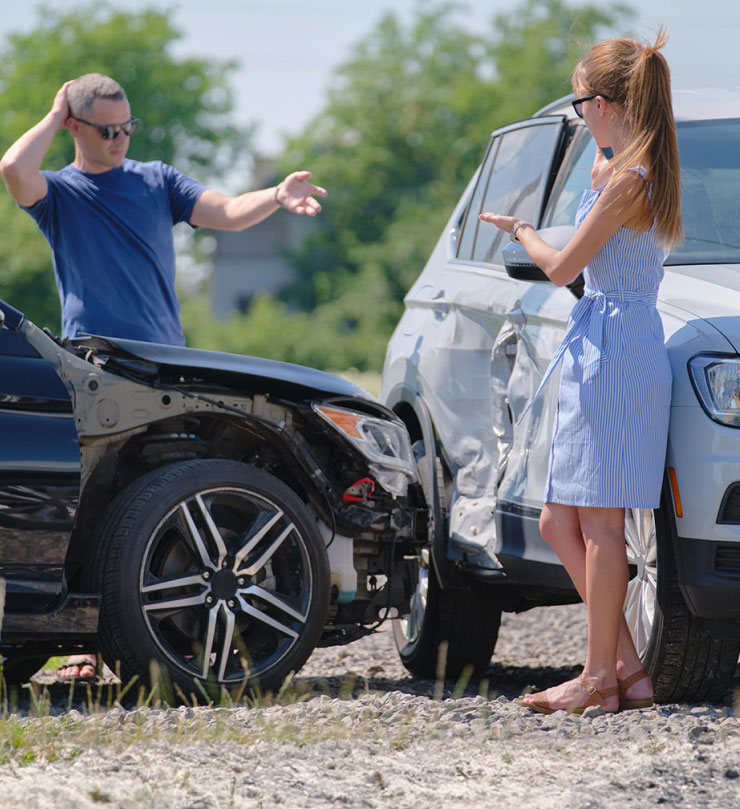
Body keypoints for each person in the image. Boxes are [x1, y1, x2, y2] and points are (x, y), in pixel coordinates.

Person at [0, 73, 327, 680]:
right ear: (75, 127)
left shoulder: (156, 179)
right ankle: (83, 645)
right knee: (89, 500)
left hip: (165, 368)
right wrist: (50, 115)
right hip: (92, 368)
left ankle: (155, 637)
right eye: (107, 129)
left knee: (156, 499)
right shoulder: (62, 193)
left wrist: (276, 196)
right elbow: (13, 170)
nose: (121, 137)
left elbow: (226, 212)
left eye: (128, 126)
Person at [479, 30, 681, 714]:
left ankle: (598, 677)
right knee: (556, 519)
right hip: (604, 341)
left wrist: (521, 232)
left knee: (599, 523)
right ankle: (626, 664)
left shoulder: (630, 178)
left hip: (617, 347)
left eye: (578, 103)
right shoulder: (622, 169)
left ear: (606, 102)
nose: (576, 114)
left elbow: (562, 267)